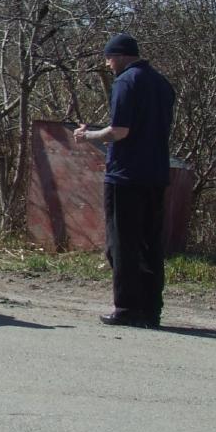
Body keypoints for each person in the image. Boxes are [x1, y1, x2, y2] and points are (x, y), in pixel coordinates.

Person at [75, 34, 175, 328]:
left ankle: (127, 307)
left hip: (126, 175)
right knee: (149, 243)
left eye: (108, 59)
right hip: (156, 173)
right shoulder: (162, 84)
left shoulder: (126, 82)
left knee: (121, 243)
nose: (107, 65)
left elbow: (119, 131)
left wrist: (87, 136)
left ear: (118, 56)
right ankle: (151, 308)